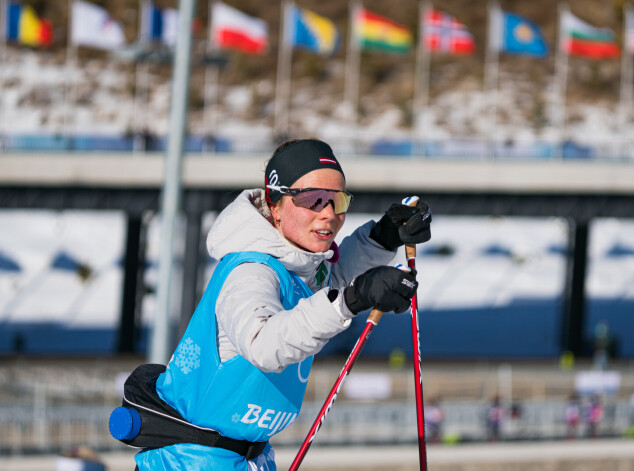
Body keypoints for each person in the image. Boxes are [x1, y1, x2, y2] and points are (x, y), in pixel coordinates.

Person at [118, 138, 432, 470]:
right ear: (276, 203)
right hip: (190, 461)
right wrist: (354, 299)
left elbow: (330, 285)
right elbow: (265, 343)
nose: (328, 215)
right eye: (313, 200)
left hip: (242, 456)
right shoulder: (251, 271)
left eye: (337, 201)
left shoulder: (298, 269)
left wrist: (384, 236)